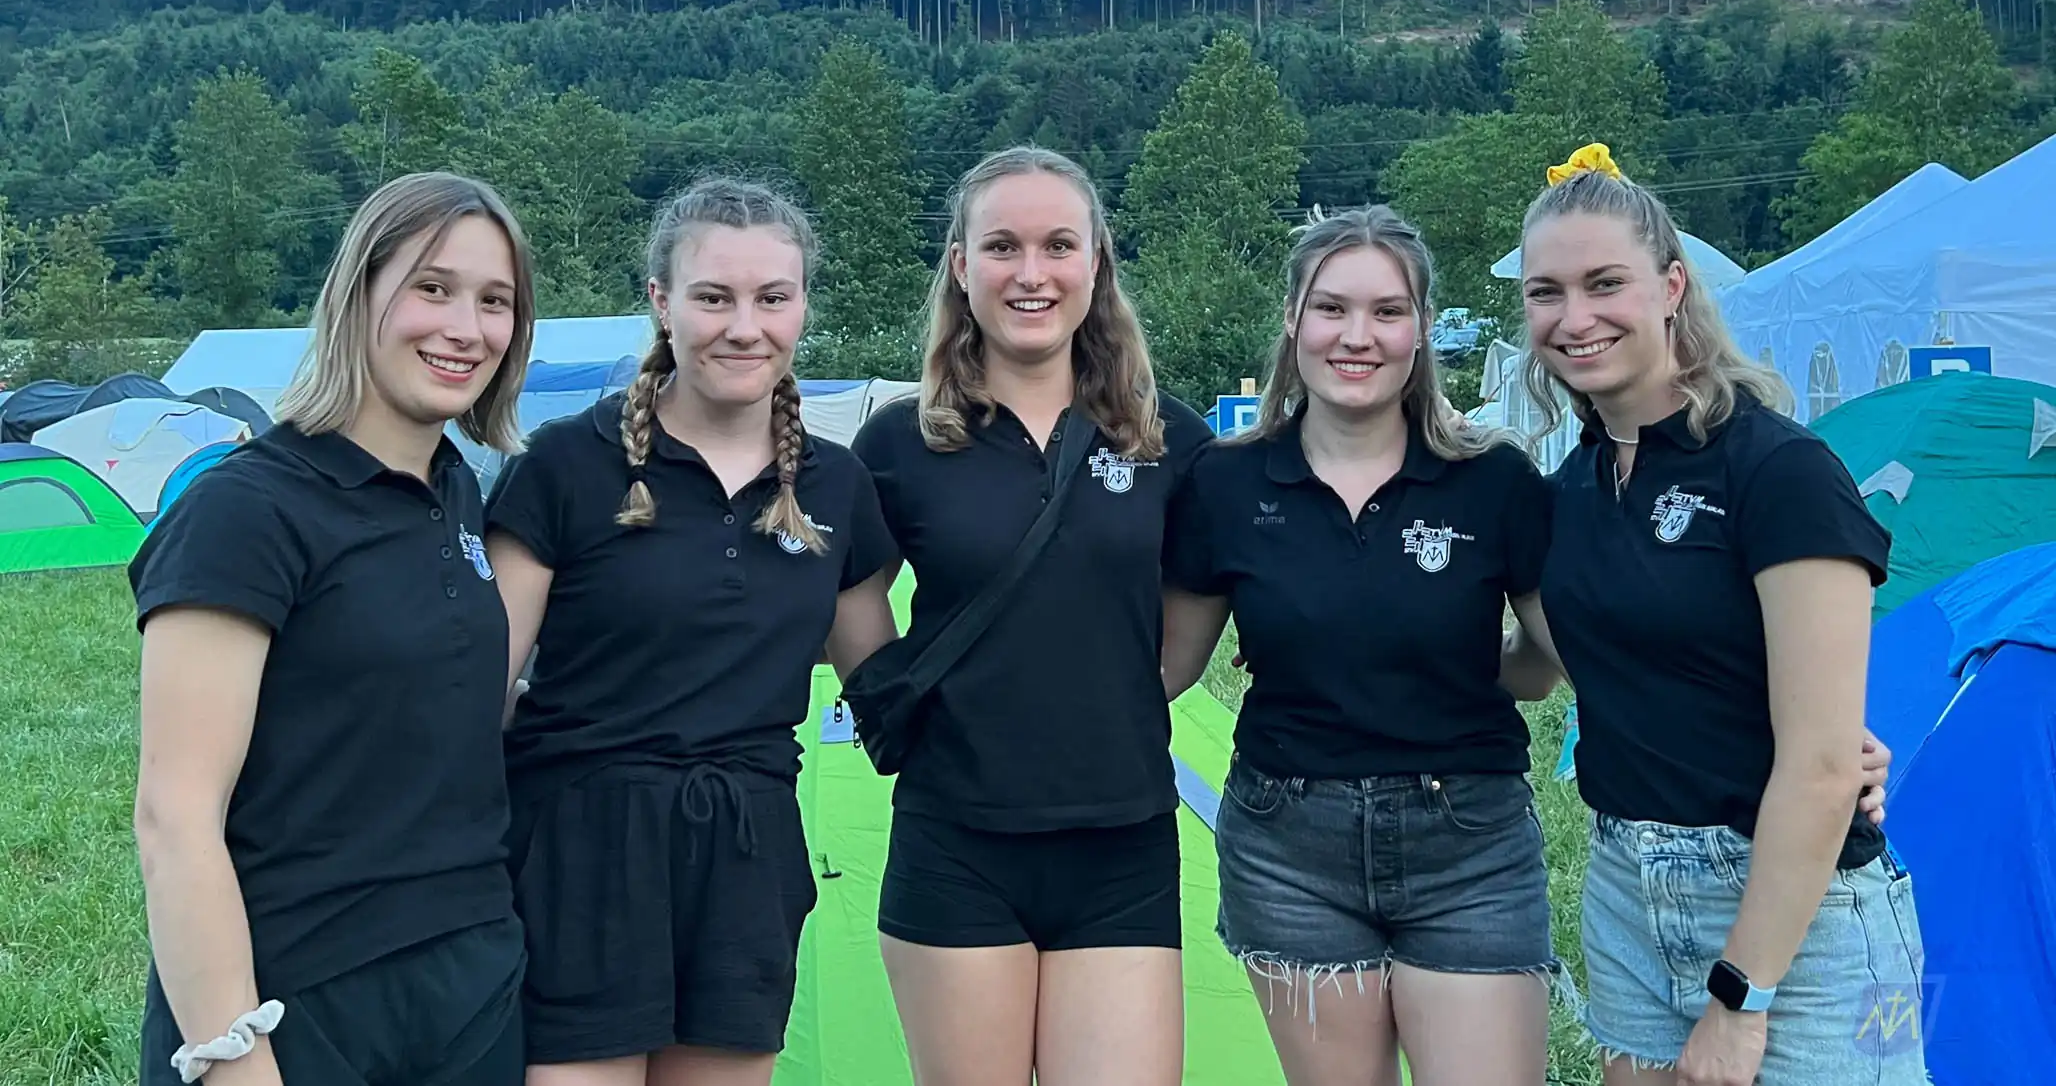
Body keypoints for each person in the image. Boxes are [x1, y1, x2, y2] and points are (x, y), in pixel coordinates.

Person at [1503, 143, 1928, 1086]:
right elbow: (1555, 662)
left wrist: (1742, 1000)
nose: (1574, 318)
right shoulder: (1568, 490)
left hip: (1798, 913)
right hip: (1624, 889)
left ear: (1671, 287)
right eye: (1545, 293)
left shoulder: (1778, 469)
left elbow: (1824, 768)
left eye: (1604, 283)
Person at [482, 178, 899, 1086]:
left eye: (772, 298)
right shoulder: (565, 464)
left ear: (802, 307)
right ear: (662, 303)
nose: (744, 327)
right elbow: (475, 693)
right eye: (713, 297)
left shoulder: (835, 485)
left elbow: (888, 700)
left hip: (746, 859)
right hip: (580, 855)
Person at [130, 172, 536, 1086]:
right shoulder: (245, 511)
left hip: (471, 987)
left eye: (495, 301)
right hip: (297, 997)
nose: (465, 328)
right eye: (432, 287)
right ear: (358, 294)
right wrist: (232, 1054)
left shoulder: (459, 496)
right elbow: (174, 817)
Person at [1160, 205, 1562, 1086]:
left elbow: (1562, 658)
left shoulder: (1492, 479)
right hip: (1288, 843)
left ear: (1423, 328)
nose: (1357, 336)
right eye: (1331, 307)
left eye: (1387, 311)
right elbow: (1165, 669)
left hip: (1470, 843)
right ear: (1292, 320)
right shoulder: (1225, 482)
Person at [842, 145, 1212, 1086]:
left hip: (1121, 841)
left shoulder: (1168, 438)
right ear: (961, 266)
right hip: (955, 842)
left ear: (1097, 261)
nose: (1031, 272)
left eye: (1058, 245)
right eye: (1002, 246)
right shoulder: (899, 442)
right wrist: (895, 695)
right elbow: (849, 591)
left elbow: (1189, 618)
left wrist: (1107, 703)